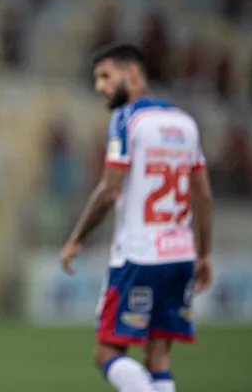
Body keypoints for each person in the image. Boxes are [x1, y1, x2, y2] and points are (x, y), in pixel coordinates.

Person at [60, 44, 214, 392]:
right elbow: (203, 194)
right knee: (159, 356)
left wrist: (76, 238)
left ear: (132, 75)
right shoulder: (185, 123)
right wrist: (204, 253)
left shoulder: (127, 119)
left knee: (105, 352)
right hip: (180, 255)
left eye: (105, 76)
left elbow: (110, 189)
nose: (99, 86)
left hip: (139, 255)